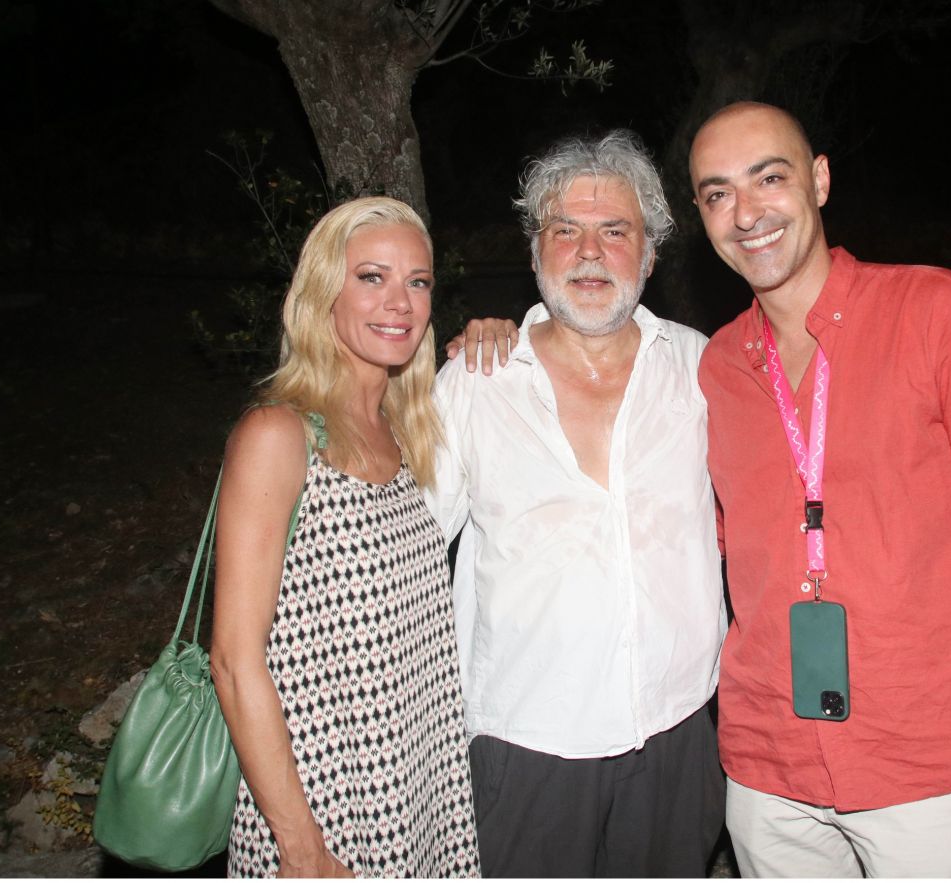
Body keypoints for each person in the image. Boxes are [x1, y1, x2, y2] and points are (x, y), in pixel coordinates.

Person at [689, 101, 951, 877]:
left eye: (768, 178)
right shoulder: (714, 367)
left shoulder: (940, 314)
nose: (745, 213)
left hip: (922, 765)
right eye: (717, 193)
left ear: (819, 180)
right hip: (766, 768)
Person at [425, 131, 727, 877]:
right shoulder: (476, 383)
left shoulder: (702, 371)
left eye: (615, 231)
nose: (590, 253)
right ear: (536, 253)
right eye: (566, 231)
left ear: (650, 256)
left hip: (676, 733)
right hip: (525, 742)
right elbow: (407, 551)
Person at [210, 197, 481, 878]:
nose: (399, 303)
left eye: (418, 281)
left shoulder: (405, 430)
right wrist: (301, 846)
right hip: (322, 800)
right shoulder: (279, 435)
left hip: (417, 779)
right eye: (371, 277)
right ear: (323, 292)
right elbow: (235, 661)